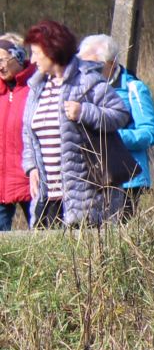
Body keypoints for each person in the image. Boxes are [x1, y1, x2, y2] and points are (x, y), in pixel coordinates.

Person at [21, 20, 132, 228]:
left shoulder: (87, 81)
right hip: (47, 196)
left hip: (84, 197)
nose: (32, 59)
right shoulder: (37, 88)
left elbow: (120, 115)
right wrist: (31, 167)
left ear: (52, 50)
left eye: (36, 52)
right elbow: (28, 133)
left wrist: (84, 111)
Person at [78, 35, 154, 217]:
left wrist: (112, 138)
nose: (85, 70)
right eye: (81, 64)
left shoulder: (133, 89)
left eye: (92, 65)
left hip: (127, 178)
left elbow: (150, 132)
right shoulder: (80, 91)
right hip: (90, 178)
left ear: (111, 63)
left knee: (118, 235)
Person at [0, 39, 31, 229]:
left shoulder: (35, 87)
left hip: (31, 180)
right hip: (2, 181)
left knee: (44, 238)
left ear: (17, 57)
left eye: (2, 60)